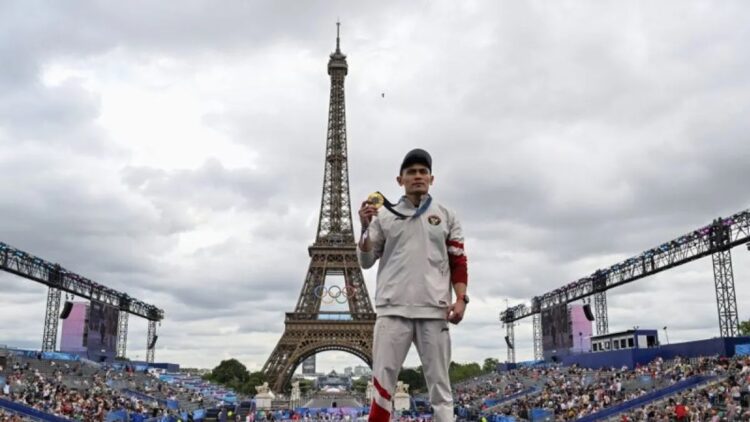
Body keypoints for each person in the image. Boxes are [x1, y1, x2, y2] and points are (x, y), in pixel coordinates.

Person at [358, 148, 468, 422]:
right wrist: (363, 227)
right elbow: (366, 260)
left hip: (434, 309)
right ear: (400, 180)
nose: (417, 176)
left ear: (432, 178)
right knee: (382, 389)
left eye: (423, 172)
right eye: (411, 173)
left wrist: (461, 299)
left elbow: (459, 261)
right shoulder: (383, 216)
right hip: (392, 309)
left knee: (441, 389)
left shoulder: (447, 215)